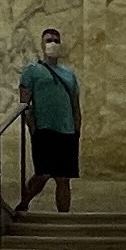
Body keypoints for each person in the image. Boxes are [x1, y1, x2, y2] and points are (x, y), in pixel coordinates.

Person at [16, 28, 80, 213]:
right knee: (43, 174)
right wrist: (32, 128)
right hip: (44, 129)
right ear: (42, 44)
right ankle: (24, 203)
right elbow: (24, 103)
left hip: (67, 130)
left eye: (56, 40)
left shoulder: (69, 74)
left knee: (63, 178)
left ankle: (64, 218)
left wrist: (77, 129)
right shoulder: (32, 70)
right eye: (49, 40)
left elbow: (75, 104)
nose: (53, 43)